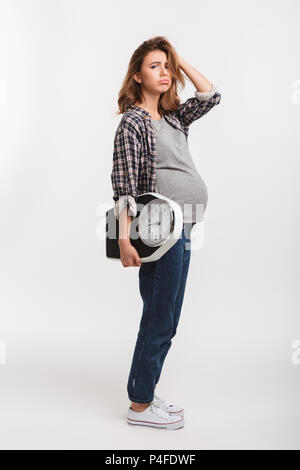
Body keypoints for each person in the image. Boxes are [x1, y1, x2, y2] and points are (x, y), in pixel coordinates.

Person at [110, 36, 221, 430]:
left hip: (184, 226)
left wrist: (178, 57)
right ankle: (139, 405)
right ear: (137, 76)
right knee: (159, 317)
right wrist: (123, 238)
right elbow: (124, 187)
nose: (164, 72)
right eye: (154, 66)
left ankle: (144, 393)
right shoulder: (133, 123)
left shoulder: (174, 117)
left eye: (166, 66)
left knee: (167, 317)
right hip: (158, 230)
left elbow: (210, 94)